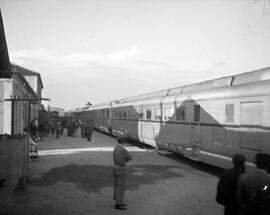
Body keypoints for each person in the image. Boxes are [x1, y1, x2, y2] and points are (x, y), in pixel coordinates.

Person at [112, 135, 132, 210]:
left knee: (117, 186)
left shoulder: (116, 148)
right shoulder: (123, 149)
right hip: (121, 168)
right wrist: (124, 161)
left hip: (115, 167)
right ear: (124, 142)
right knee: (120, 187)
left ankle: (118, 201)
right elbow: (129, 157)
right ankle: (118, 204)